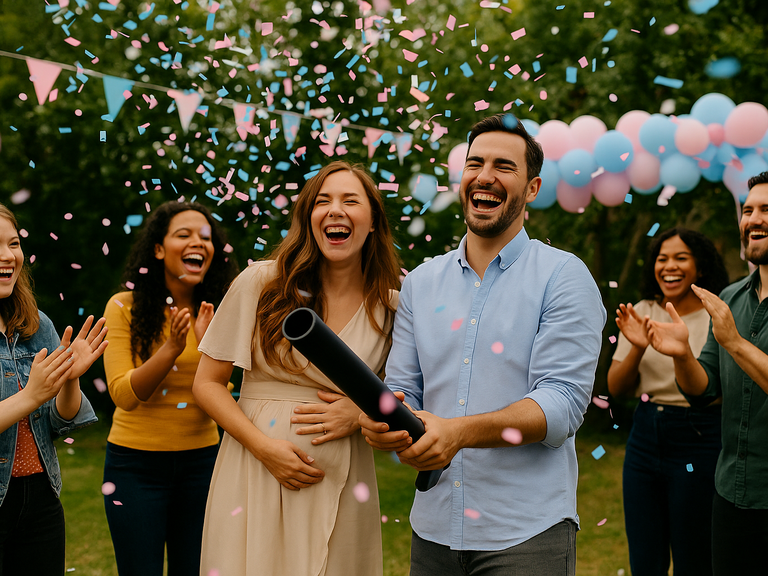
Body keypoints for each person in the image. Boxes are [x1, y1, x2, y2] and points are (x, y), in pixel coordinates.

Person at [360, 114, 606, 576]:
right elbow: (403, 388)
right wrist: (387, 421)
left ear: (531, 188)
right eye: (475, 163)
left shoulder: (563, 276)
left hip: (526, 531)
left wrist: (457, 433)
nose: (485, 177)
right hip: (432, 529)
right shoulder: (421, 283)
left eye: (504, 166)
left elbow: (562, 405)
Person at [192, 160, 401, 576]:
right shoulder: (262, 282)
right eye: (322, 201)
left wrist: (363, 412)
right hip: (254, 469)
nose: (335, 210)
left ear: (373, 221)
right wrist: (264, 448)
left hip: (344, 474)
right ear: (308, 218)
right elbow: (208, 385)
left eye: (350, 201)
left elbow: (406, 395)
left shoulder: (392, 304)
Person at [102, 201, 237, 576]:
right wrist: (171, 349)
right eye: (184, 235)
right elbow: (124, 395)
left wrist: (209, 347)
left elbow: (222, 394)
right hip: (134, 466)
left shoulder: (219, 311)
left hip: (203, 465)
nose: (198, 242)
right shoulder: (122, 307)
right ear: (159, 249)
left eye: (205, 237)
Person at [644, 171, 768, 576]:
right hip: (730, 491)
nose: (753, 219)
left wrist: (734, 341)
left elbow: (732, 347)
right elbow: (705, 389)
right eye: (748, 211)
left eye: (766, 210)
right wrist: (682, 355)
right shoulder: (731, 297)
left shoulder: (725, 317)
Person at [607, 228, 728, 576]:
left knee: (695, 556)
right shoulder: (642, 311)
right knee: (646, 558)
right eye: (662, 258)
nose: (669, 266)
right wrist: (639, 345)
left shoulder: (717, 313)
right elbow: (617, 387)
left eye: (680, 258)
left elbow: (720, 388)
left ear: (700, 267)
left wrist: (681, 351)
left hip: (700, 436)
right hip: (646, 436)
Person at [0, 203, 107, 576]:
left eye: (13, 243)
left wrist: (70, 378)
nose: (7, 256)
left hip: (40, 499)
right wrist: (30, 395)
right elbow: (31, 400)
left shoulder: (35, 323)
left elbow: (58, 423)